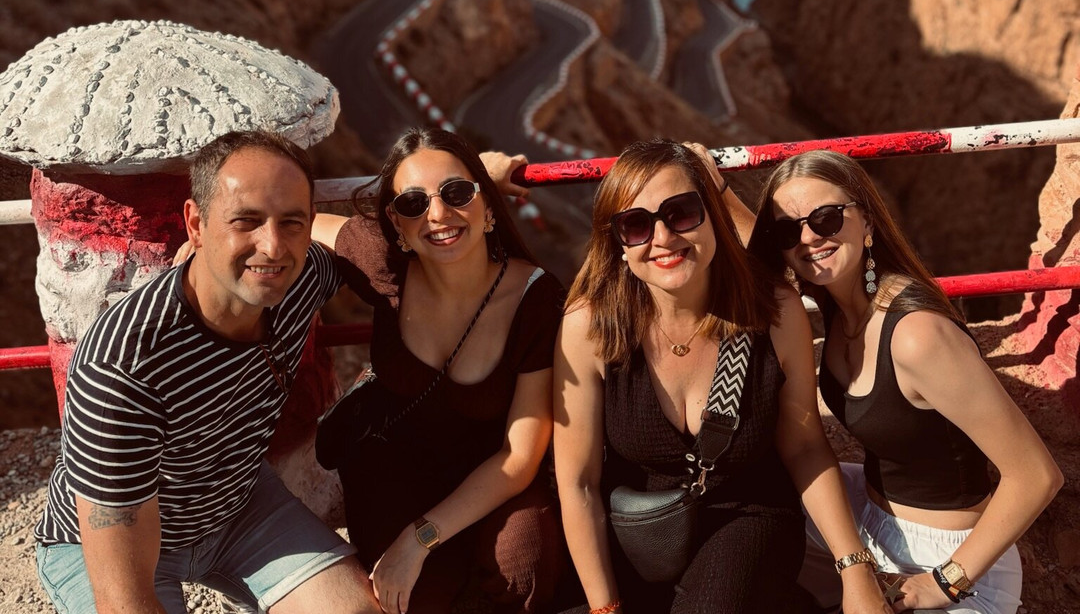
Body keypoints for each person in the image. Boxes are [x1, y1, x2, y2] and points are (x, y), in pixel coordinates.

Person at [34, 129, 381, 614]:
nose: (272, 247)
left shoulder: (299, 280)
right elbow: (123, 601)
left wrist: (468, 182)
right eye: (246, 220)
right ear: (195, 224)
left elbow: (386, 250)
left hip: (236, 505)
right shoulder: (123, 366)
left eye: (291, 222)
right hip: (111, 541)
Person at [553, 139, 889, 614]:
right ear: (618, 244)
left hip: (749, 519)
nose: (663, 237)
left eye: (681, 213)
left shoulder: (771, 311)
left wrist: (855, 569)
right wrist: (604, 608)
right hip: (641, 533)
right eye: (636, 224)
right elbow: (579, 483)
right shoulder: (591, 326)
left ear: (712, 215)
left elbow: (805, 447)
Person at [748, 149, 1063, 613]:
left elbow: (1037, 475)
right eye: (788, 230)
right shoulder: (841, 305)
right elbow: (751, 246)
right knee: (749, 502)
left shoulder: (917, 335)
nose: (809, 237)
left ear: (868, 222)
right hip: (868, 517)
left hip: (952, 558)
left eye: (826, 218)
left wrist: (945, 582)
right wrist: (716, 189)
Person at [312, 127, 564, 614]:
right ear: (396, 222)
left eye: (457, 193)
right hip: (399, 469)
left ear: (488, 206)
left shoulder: (534, 299)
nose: (438, 214)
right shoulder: (383, 262)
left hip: (495, 478)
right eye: (413, 202)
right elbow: (295, 219)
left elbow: (518, 458)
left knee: (522, 566)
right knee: (406, 600)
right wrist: (212, 244)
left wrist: (419, 538)